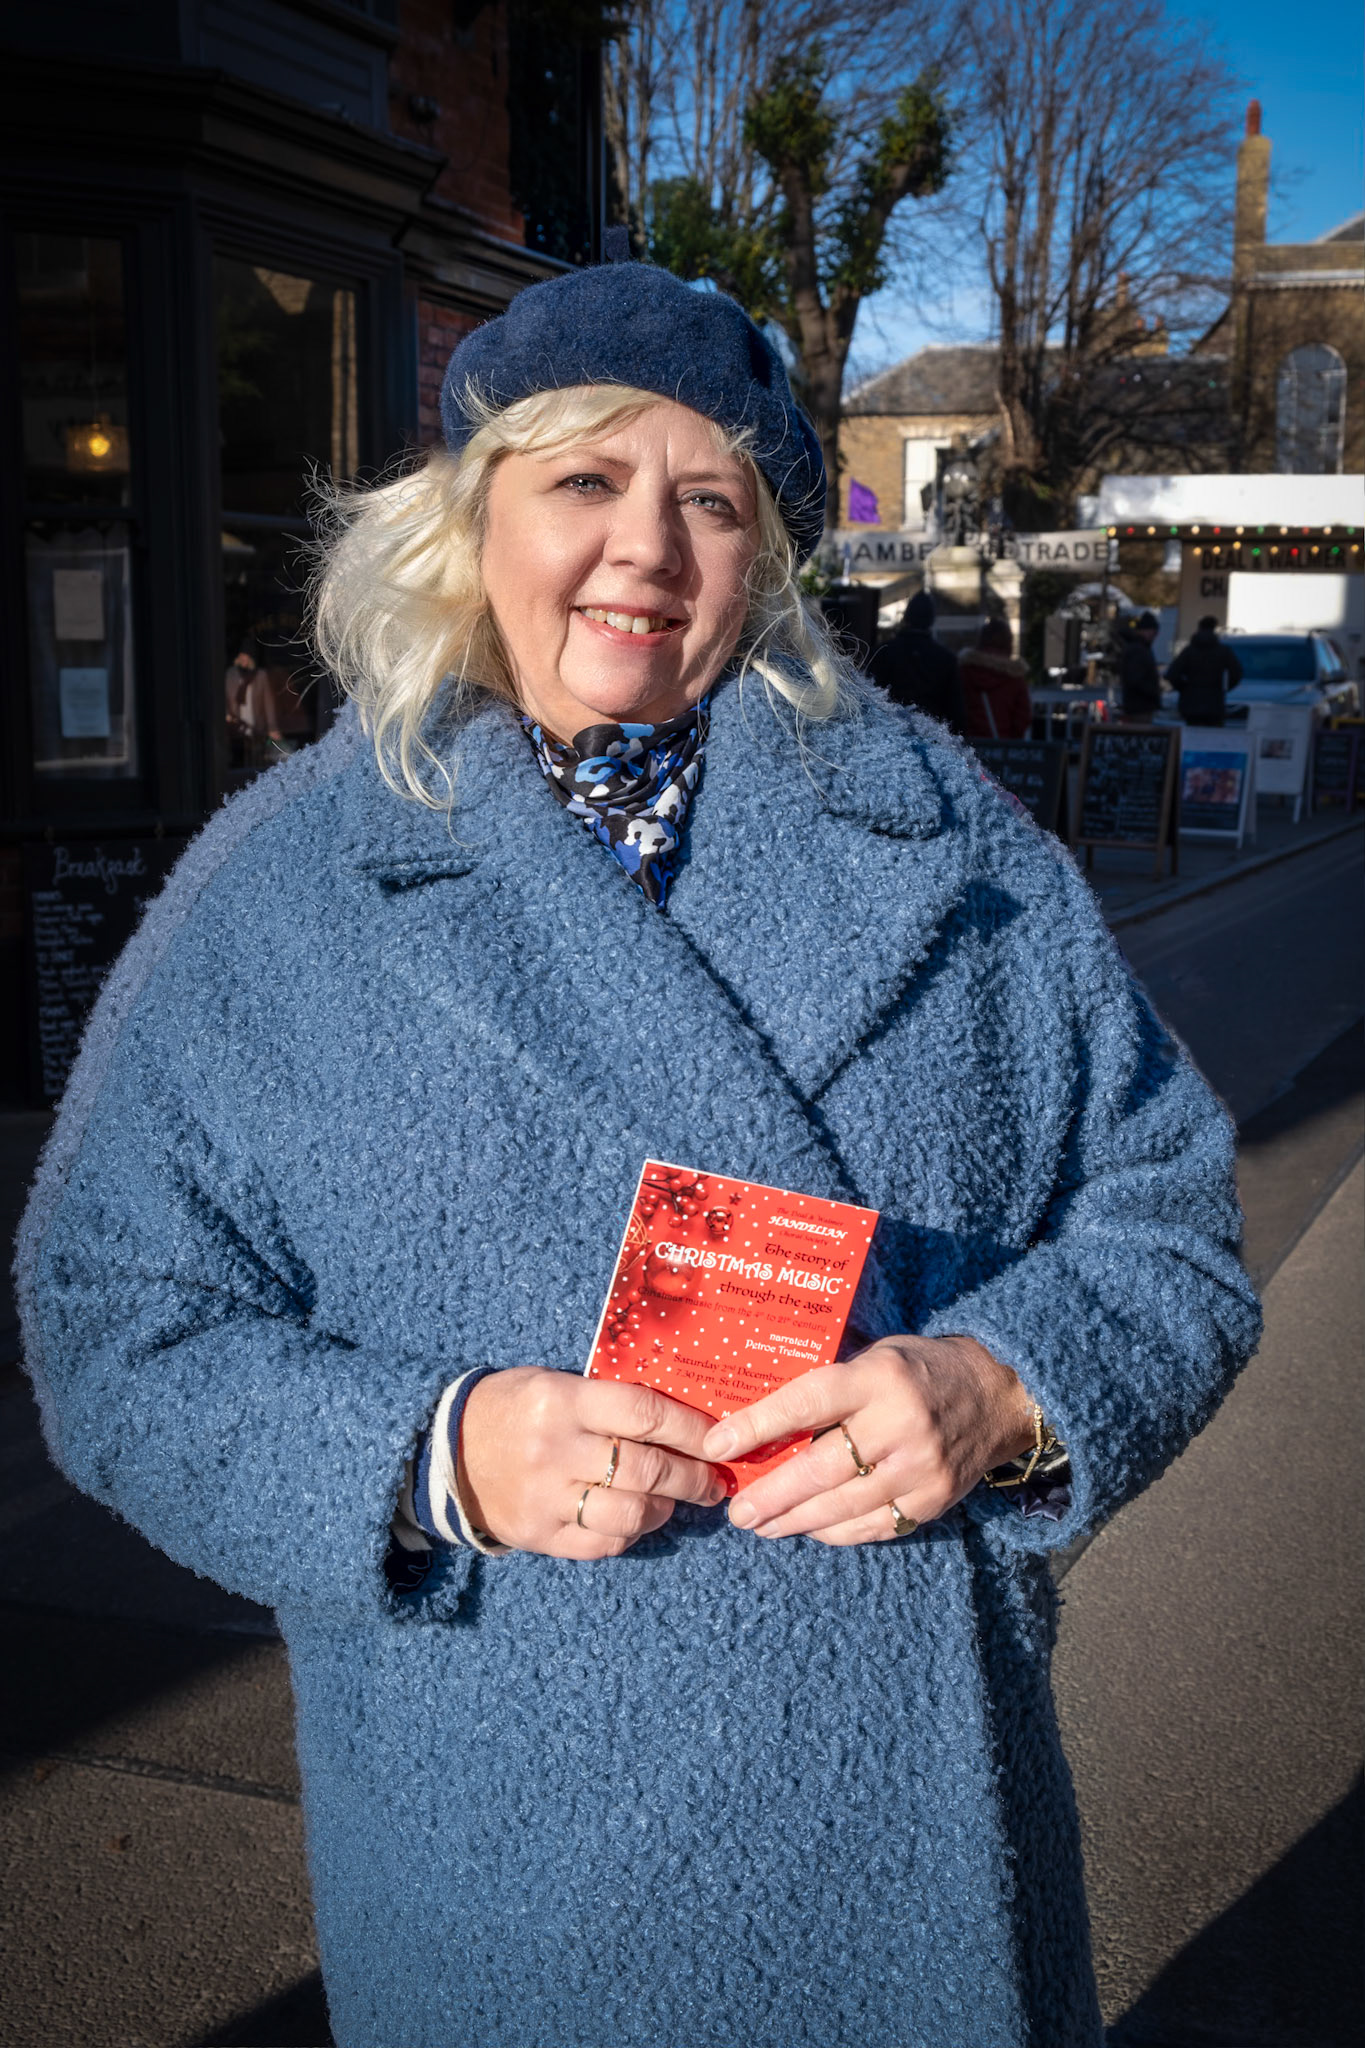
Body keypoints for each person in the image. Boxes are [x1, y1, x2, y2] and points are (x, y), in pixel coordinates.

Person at [17, 261, 1260, 2048]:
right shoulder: (286, 886)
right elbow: (107, 1319)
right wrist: (437, 1454)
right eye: (585, 482)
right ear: (471, 517)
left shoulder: (953, 840)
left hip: (910, 1847)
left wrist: (1003, 1386)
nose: (648, 551)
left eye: (710, 497)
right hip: (505, 1858)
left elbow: (1168, 1222)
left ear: (766, 549)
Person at [867, 587, 968, 733]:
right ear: (931, 619)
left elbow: (871, 694)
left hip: (891, 731)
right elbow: (955, 710)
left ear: (907, 617)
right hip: (931, 733)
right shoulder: (945, 658)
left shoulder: (884, 652)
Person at [959, 616, 1033, 740]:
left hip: (970, 747)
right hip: (1003, 747)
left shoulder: (964, 672)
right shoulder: (1014, 678)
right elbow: (1023, 718)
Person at [1167, 615, 1244, 726]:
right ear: (1214, 629)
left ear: (1199, 628)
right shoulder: (1223, 651)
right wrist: (1223, 689)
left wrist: (1185, 688)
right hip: (1214, 704)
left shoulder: (1189, 651)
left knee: (1191, 738)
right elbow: (1237, 673)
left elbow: (1172, 674)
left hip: (1191, 705)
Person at [1117, 608, 1163, 721]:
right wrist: (1153, 692)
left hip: (1139, 705)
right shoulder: (1139, 650)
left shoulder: (1138, 648)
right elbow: (1135, 680)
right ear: (1146, 630)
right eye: (1154, 632)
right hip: (1140, 707)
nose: (1155, 636)